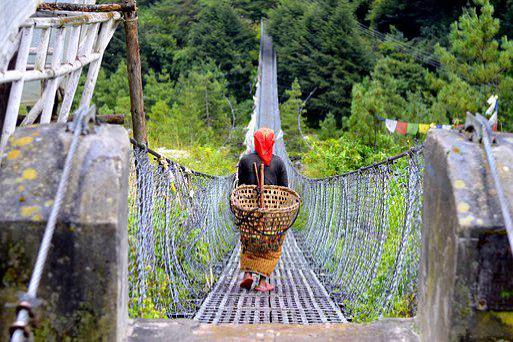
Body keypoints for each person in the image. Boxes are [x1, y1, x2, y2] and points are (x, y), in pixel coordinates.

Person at [237, 127, 288, 292]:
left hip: (249, 213)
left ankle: (247, 275)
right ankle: (262, 282)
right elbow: (284, 190)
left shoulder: (245, 161)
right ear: (272, 142)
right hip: (271, 216)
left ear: (255, 141)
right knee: (270, 245)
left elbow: (241, 187)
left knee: (249, 240)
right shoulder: (278, 162)